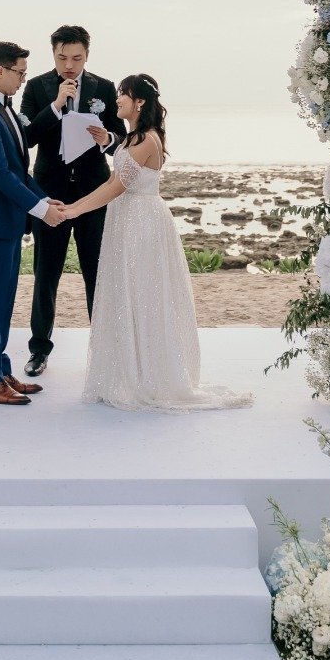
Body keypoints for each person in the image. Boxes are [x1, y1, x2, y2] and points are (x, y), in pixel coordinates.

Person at [63, 74, 252, 412]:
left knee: (144, 294)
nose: (117, 98)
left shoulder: (148, 140)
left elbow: (117, 185)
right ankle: (126, 371)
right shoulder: (130, 138)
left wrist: (75, 208)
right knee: (125, 292)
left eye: (124, 94)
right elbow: (112, 182)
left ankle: (150, 376)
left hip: (142, 222)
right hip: (125, 219)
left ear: (139, 103)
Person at [0, 41, 65, 406]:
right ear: (0, 70)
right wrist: (40, 210)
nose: (24, 79)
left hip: (6, 224)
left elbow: (20, 171)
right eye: (20, 72)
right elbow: (0, 175)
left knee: (4, 302)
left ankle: (1, 369)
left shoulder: (2, 110)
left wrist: (44, 197)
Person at [20, 25, 122, 379]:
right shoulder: (36, 88)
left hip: (94, 194)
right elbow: (28, 137)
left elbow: (121, 136)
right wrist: (56, 105)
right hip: (52, 194)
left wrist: (107, 137)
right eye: (63, 57)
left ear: (86, 56)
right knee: (45, 274)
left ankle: (103, 353)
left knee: (97, 273)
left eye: (76, 58)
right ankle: (38, 351)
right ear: (53, 54)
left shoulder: (105, 88)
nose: (69, 65)